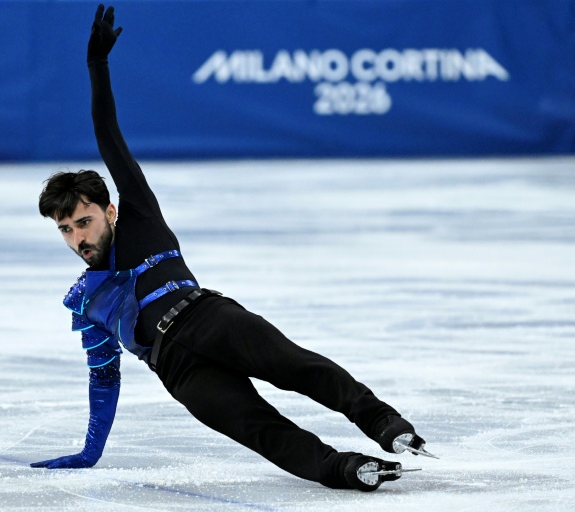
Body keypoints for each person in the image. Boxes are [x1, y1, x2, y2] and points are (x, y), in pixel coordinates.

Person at [30, 4, 435, 492]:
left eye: (84, 222)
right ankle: (344, 469)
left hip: (208, 318)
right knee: (259, 430)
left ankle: (386, 426)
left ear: (109, 211)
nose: (78, 238)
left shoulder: (140, 216)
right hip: (177, 370)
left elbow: (109, 135)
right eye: (66, 230)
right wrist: (88, 453)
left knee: (297, 367)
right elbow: (103, 380)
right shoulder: (85, 300)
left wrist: (97, 67)